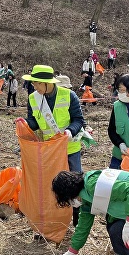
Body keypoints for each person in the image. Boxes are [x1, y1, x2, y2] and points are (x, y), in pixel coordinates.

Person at [23, 64, 85, 224]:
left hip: (69, 147)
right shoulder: (33, 98)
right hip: (49, 149)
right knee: (50, 182)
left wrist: (71, 131)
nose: (34, 86)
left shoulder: (69, 95)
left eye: (36, 83)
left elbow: (78, 119)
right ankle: (53, 217)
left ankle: (77, 218)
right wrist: (25, 124)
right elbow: (34, 122)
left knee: (75, 182)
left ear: (47, 82)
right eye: (33, 83)